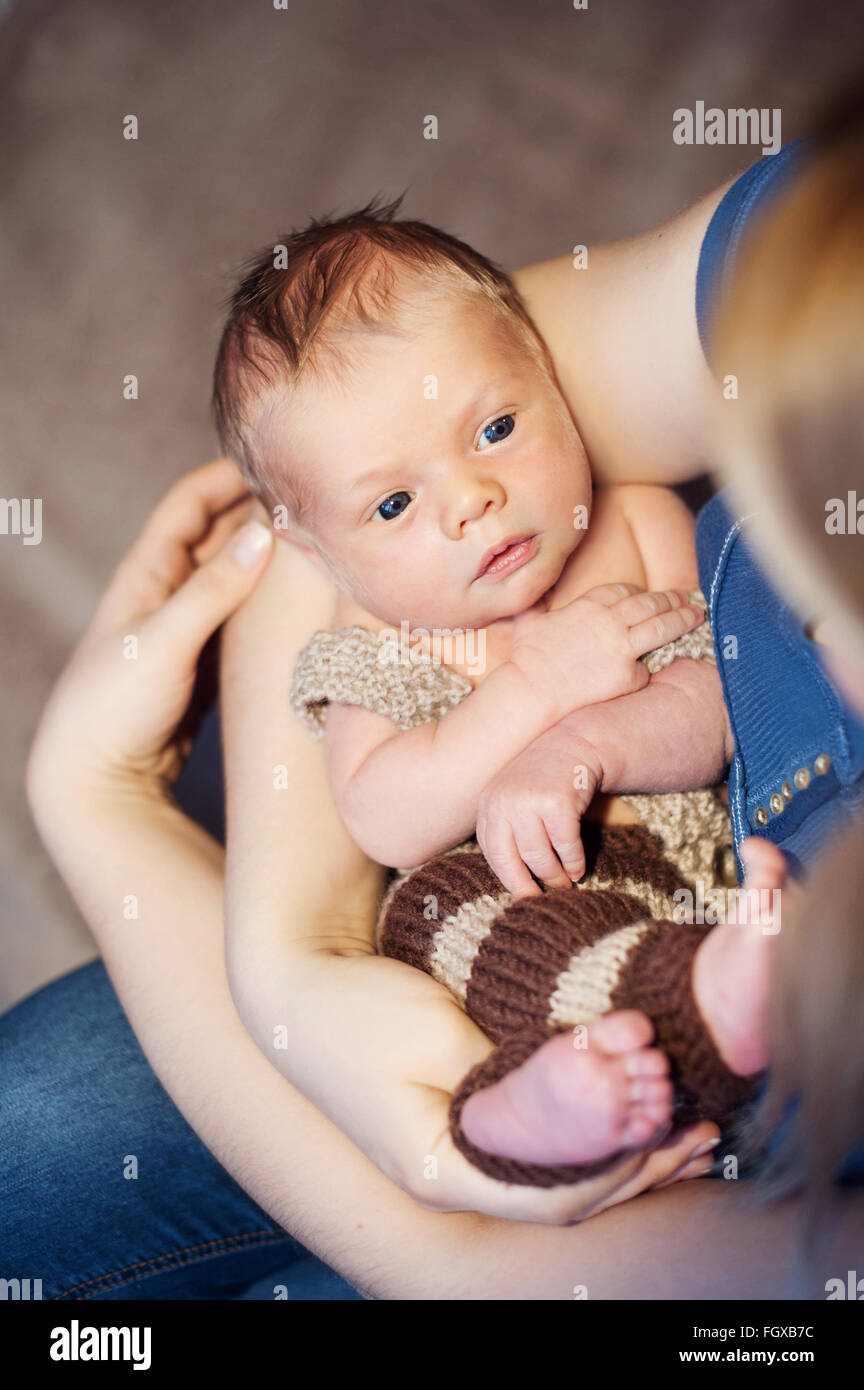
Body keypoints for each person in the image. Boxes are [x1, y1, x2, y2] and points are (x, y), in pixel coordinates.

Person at [6, 127, 862, 1299]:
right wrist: (537, 684)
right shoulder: (373, 639)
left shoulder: (638, 520)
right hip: (466, 950)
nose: (475, 503)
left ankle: (592, 1083)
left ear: (548, 385)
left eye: (501, 431)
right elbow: (391, 815)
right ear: (313, 545)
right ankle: (525, 1111)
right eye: (399, 502)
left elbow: (712, 694)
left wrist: (587, 739)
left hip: (693, 915)